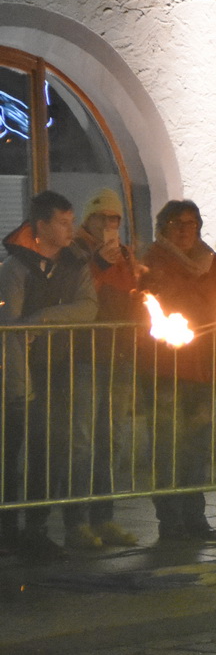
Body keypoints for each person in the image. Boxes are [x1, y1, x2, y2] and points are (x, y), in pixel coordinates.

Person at [1, 191, 98, 560]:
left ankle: (36, 528)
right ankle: (8, 529)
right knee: (11, 453)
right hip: (20, 373)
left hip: (58, 367)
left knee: (47, 451)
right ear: (41, 226)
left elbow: (88, 307)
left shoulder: (74, 264)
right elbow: (11, 330)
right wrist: (17, 386)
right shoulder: (16, 268)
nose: (70, 229)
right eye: (62, 222)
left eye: (71, 221)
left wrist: (42, 319)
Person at [139, 199, 216, 542]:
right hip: (166, 366)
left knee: (198, 445)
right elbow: (162, 302)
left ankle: (195, 515)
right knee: (168, 445)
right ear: (164, 227)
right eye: (177, 224)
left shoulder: (212, 262)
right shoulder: (153, 260)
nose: (185, 230)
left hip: (204, 364)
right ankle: (170, 519)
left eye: (191, 223)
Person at [61, 190, 144, 548]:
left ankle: (104, 517)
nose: (109, 225)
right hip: (85, 356)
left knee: (112, 439)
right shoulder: (74, 251)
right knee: (81, 441)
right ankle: (77, 521)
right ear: (89, 219)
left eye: (115, 219)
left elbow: (129, 296)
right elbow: (79, 295)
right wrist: (101, 264)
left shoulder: (123, 254)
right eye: (103, 218)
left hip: (119, 354)